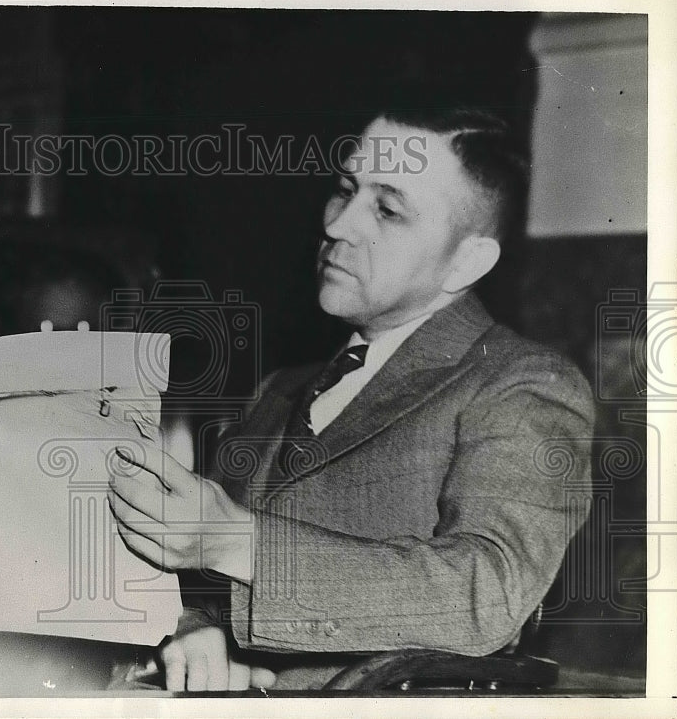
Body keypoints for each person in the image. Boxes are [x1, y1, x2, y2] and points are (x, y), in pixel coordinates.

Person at [106, 108, 594, 691]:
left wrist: (236, 541)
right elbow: (193, 582)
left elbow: (486, 592)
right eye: (345, 190)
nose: (338, 225)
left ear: (467, 260)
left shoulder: (521, 382)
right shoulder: (280, 387)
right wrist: (190, 628)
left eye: (387, 210)